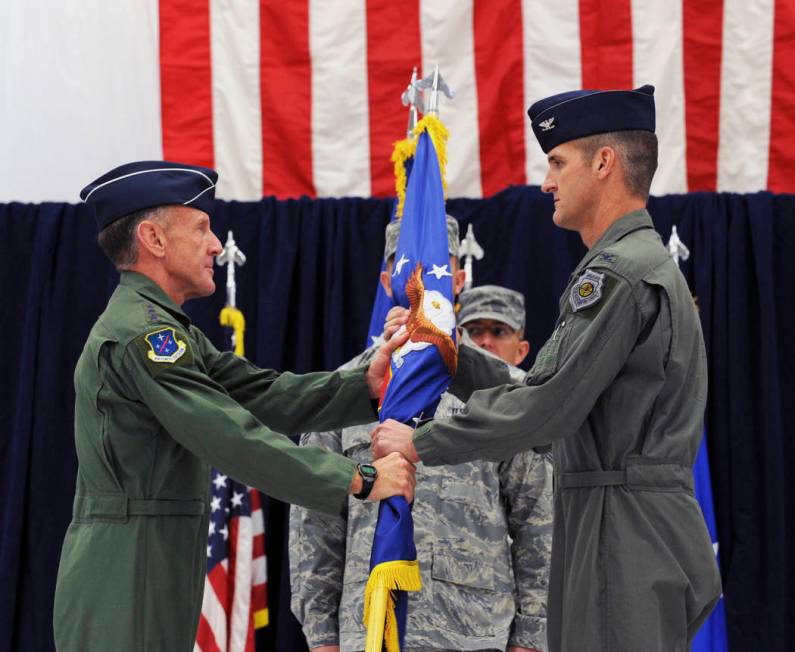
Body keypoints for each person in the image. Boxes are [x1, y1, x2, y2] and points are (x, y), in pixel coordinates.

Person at [371, 86, 722, 652]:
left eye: (557, 162)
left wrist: (421, 442)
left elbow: (545, 410)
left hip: (622, 528)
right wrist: (453, 361)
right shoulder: (630, 266)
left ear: (604, 163)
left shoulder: (618, 276)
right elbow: (545, 390)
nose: (546, 182)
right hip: (616, 519)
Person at [53, 161, 416, 652]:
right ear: (153, 239)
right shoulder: (145, 333)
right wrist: (359, 479)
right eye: (201, 228)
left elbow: (259, 394)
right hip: (129, 561)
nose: (216, 245)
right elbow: (227, 434)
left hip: (151, 552)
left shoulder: (165, 327)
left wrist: (361, 388)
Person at [289, 217, 553, 652]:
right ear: (384, 279)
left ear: (459, 279)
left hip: (475, 631)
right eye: (404, 265)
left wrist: (529, 636)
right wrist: (321, 638)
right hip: (370, 628)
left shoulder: (502, 389)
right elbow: (315, 524)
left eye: (437, 268)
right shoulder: (345, 390)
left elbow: (538, 520)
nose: (419, 278)